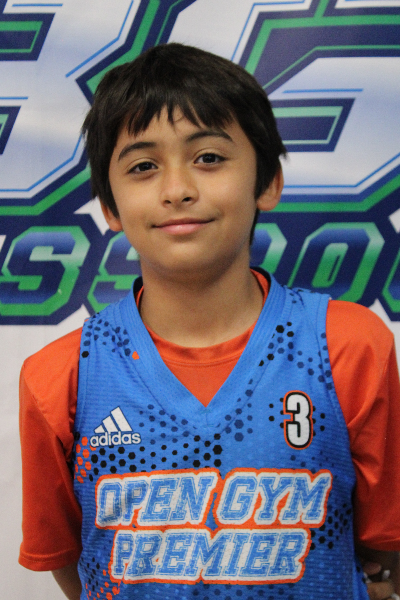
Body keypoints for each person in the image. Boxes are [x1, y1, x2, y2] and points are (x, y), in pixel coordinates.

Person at [19, 43, 400, 600]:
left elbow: (383, 542)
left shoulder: (348, 347)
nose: (178, 190)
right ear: (110, 207)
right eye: (143, 167)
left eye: (209, 158)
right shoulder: (60, 377)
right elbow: (70, 562)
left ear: (267, 182)